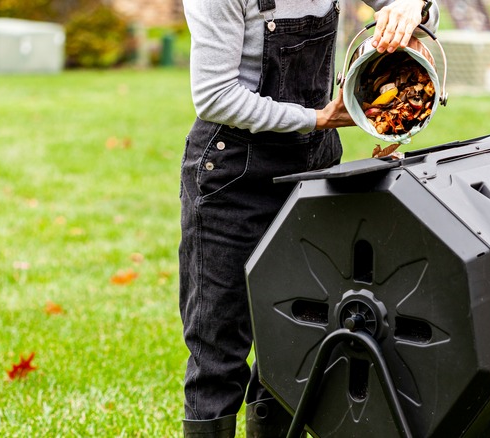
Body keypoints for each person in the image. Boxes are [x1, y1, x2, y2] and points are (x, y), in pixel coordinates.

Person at [179, 0, 440, 436]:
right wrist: (319, 118)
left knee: (298, 341)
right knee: (217, 350)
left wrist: (414, 9)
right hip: (233, 177)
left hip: (312, 166)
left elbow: (424, 13)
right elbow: (214, 96)